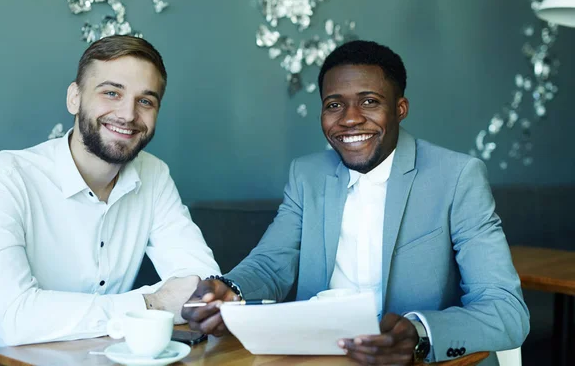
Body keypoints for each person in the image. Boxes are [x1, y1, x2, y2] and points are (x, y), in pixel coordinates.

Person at [182, 40, 529, 365]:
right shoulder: (307, 175)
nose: (349, 118)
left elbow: (506, 310)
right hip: (320, 357)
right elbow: (271, 265)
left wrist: (420, 334)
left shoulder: (456, 177)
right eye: (334, 104)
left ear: (400, 109)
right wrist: (228, 288)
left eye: (369, 101)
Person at [0, 36, 220, 357]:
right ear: (74, 98)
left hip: (107, 358)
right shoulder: (2, 178)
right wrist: (153, 303)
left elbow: (202, 285)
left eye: (145, 101)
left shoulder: (154, 174)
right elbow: (17, 319)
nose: (128, 114)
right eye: (111, 93)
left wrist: (187, 296)